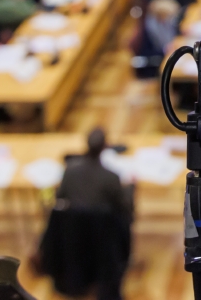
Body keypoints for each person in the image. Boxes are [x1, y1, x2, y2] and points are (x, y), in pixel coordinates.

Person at [49, 127, 133, 300]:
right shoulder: (111, 177)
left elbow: (60, 196)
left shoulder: (70, 171)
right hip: (105, 237)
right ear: (104, 147)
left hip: (74, 236)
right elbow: (124, 207)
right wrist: (131, 189)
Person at [132, 0, 181, 78]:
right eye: (168, 16)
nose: (170, 18)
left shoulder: (163, 21)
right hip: (155, 59)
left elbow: (171, 33)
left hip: (167, 53)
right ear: (161, 15)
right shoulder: (151, 28)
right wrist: (167, 48)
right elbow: (159, 48)